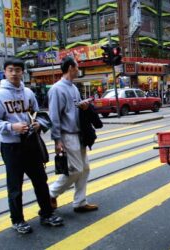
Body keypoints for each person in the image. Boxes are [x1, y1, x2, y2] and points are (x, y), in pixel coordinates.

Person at [0, 58, 63, 234]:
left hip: (31, 143)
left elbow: (39, 113)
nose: (14, 73)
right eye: (11, 70)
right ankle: (17, 220)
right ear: (5, 72)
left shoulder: (28, 92)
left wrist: (38, 124)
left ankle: (47, 213)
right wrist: (12, 127)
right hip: (11, 146)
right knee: (15, 185)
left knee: (41, 181)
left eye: (18, 70)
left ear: (22, 72)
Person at [48, 56, 98, 213]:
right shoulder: (56, 89)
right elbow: (54, 117)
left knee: (85, 168)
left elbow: (74, 110)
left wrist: (84, 106)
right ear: (70, 68)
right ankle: (50, 193)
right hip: (67, 135)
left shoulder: (74, 88)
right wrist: (57, 140)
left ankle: (80, 202)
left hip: (79, 133)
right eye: (77, 66)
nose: (78, 69)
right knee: (75, 170)